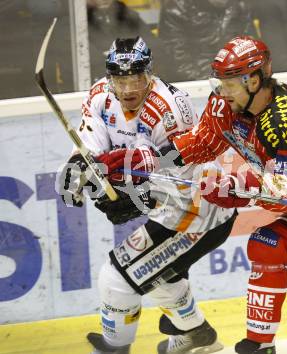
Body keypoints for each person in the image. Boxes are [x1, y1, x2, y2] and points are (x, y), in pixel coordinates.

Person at [100, 36, 287, 354]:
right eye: (219, 81)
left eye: (230, 83)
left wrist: (238, 187)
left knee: (268, 245)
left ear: (255, 79)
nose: (221, 90)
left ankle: (260, 346)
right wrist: (144, 160)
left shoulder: (285, 122)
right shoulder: (226, 103)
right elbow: (202, 142)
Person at [58, 36, 236, 354]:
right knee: (162, 277)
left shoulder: (170, 109)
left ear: (149, 74)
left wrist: (135, 193)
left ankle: (114, 349)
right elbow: (91, 151)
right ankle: (197, 337)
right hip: (174, 212)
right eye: (120, 79)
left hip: (200, 212)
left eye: (136, 78)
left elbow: (183, 178)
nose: (128, 89)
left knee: (116, 280)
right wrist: (81, 170)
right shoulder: (100, 96)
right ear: (110, 77)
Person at [157, 0, 253, 82]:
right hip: (194, 82)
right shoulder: (176, 8)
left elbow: (249, 46)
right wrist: (215, 82)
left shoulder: (239, 4)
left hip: (235, 76)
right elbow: (176, 61)